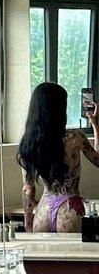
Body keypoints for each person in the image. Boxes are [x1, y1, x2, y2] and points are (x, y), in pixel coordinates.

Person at [17, 81, 99, 232]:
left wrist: (28, 225)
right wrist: (95, 125)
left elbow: (29, 191)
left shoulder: (28, 144)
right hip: (69, 209)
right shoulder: (75, 137)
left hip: (43, 212)